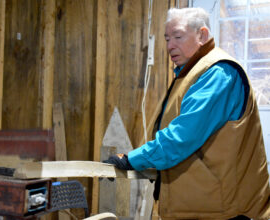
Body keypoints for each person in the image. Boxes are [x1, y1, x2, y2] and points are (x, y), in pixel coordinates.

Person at [104, 7, 270, 220]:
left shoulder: (218, 74)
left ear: (202, 35)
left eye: (178, 36)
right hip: (206, 209)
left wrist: (131, 159)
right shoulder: (192, 73)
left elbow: (180, 138)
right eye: (166, 39)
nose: (170, 45)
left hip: (227, 213)